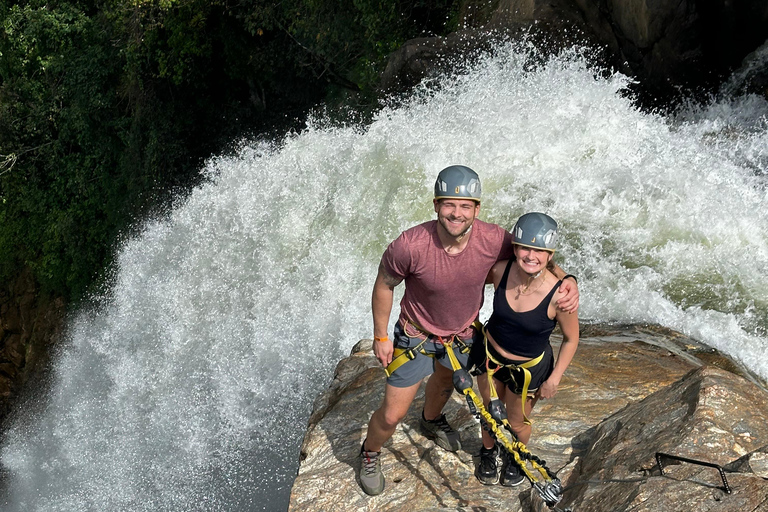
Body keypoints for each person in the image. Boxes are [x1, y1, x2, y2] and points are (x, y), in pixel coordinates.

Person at [358, 167, 579, 496]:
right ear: (436, 205)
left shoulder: (493, 239)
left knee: (446, 380)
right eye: (449, 205)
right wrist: (380, 336)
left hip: (463, 336)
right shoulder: (410, 244)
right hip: (416, 336)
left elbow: (532, 255)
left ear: (477, 209)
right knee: (391, 415)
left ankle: (430, 420)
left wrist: (568, 279)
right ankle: (370, 453)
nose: (456, 213)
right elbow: (384, 284)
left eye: (465, 206)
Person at [470, 212, 580, 487]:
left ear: (550, 254)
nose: (531, 256)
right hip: (491, 357)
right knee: (488, 411)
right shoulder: (500, 271)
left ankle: (514, 455)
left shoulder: (560, 296)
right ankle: (488, 451)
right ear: (515, 248)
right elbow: (463, 280)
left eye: (539, 250)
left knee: (517, 423)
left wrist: (554, 378)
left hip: (528, 371)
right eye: (524, 248)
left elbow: (571, 339)